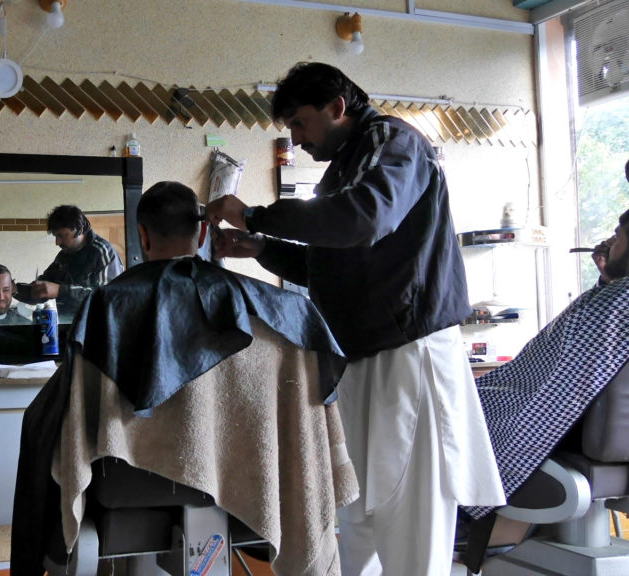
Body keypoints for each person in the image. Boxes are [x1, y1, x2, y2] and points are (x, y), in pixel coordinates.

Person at [205, 62, 504, 576]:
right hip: (363, 360)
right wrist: (260, 248)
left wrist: (255, 214)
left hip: (409, 355)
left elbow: (364, 220)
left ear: (337, 107)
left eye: (299, 123)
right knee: (357, 513)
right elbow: (330, 261)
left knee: (410, 523)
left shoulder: (396, 143)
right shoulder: (348, 164)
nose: (296, 140)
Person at [10, 181, 354, 576]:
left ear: (141, 236)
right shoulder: (280, 309)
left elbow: (71, 419)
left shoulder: (110, 305)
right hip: (254, 474)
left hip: (128, 482)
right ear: (204, 232)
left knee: (38, 425)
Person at [458, 207, 629, 572]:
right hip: (606, 434)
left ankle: (474, 520)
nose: (611, 241)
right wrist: (609, 275)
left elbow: (554, 388)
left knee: (460, 412)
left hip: (570, 425)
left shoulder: (618, 301)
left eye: (619, 234)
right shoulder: (616, 298)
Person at [29, 204, 123, 317]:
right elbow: (44, 284)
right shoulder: (63, 256)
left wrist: (60, 291)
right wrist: (15, 289)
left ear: (79, 230)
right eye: (55, 236)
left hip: (97, 329)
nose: (57, 242)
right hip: (69, 327)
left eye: (61, 235)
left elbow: (106, 298)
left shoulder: (102, 252)